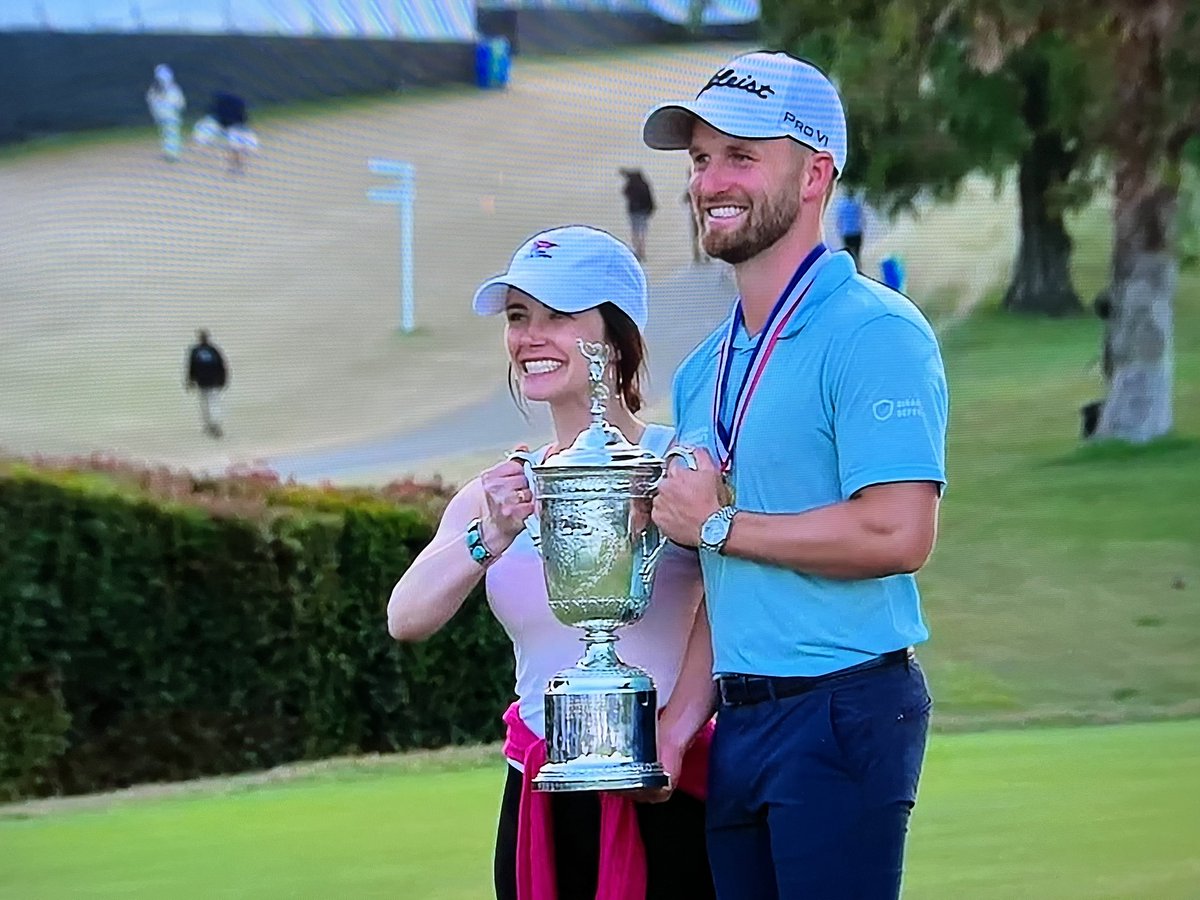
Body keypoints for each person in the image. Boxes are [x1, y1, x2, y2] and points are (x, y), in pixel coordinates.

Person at [640, 50, 949, 899]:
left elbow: (898, 532)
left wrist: (717, 523)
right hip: (740, 725)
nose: (710, 181)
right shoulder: (707, 368)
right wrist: (677, 725)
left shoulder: (876, 333)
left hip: (846, 709)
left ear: (815, 174)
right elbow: (723, 581)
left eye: (741, 155)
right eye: (701, 159)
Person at [387, 225, 716, 900]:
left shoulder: (679, 463)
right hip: (540, 789)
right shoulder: (501, 489)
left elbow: (734, 603)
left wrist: (675, 730)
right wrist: (489, 536)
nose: (530, 336)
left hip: (668, 786)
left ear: (616, 335)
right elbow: (406, 616)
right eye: (517, 317)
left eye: (559, 314)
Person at [193, 90, 258, 174]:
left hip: (236, 129)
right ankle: (237, 167)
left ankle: (236, 167)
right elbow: (244, 118)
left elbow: (222, 118)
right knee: (236, 149)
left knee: (235, 149)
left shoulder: (222, 107)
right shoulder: (237, 104)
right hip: (238, 128)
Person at [184, 329, 229, 438]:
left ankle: (211, 425)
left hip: (204, 382)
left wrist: (190, 380)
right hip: (211, 381)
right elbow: (222, 365)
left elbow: (191, 367)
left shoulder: (196, 351)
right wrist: (223, 379)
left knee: (206, 404)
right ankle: (213, 424)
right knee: (212, 404)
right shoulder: (213, 350)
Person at [145, 64, 185, 161]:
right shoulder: (172, 88)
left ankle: (168, 153)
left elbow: (150, 101)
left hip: (159, 115)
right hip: (171, 114)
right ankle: (172, 155)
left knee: (165, 133)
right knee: (172, 134)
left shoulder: (153, 89)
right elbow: (180, 102)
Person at [619, 168, 657, 261]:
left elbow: (624, 192)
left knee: (635, 232)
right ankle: (642, 251)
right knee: (642, 232)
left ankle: (636, 250)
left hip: (633, 212)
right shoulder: (644, 185)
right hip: (643, 212)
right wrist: (651, 209)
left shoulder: (630, 187)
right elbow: (650, 198)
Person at [834, 190, 865, 268]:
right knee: (857, 252)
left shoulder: (841, 206)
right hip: (856, 232)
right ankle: (858, 266)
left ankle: (853, 267)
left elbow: (839, 221)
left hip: (847, 233)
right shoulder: (856, 204)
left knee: (849, 252)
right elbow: (861, 218)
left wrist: (840, 232)